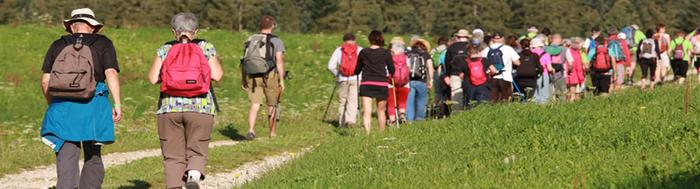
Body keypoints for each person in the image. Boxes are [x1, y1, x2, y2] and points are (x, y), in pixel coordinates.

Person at [40, 8, 121, 189]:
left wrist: (52, 104)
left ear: (71, 26)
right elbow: (111, 72)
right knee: (93, 153)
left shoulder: (57, 44)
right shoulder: (103, 43)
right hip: (94, 102)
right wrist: (117, 103)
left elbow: (45, 81)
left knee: (66, 152)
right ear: (92, 26)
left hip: (62, 104)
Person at [147, 12, 223, 189]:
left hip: (169, 109)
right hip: (201, 108)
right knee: (197, 147)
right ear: (195, 31)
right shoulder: (205, 47)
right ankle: (193, 177)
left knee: (173, 156)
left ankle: (175, 186)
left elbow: (152, 78)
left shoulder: (165, 49)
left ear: (174, 31)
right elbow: (217, 75)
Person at [242, 15, 286, 140]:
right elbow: (279, 61)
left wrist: (243, 78)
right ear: (273, 26)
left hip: (253, 76)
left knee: (255, 104)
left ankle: (250, 130)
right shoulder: (276, 41)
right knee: (272, 105)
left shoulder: (250, 39)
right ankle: (272, 133)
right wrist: (281, 80)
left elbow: (244, 60)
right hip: (270, 75)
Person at [355, 30, 394, 134]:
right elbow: (392, 70)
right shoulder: (386, 53)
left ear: (370, 39)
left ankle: (367, 134)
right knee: (381, 110)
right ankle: (381, 133)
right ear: (381, 39)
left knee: (367, 111)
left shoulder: (363, 52)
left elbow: (357, 70)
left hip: (366, 83)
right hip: (381, 83)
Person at [327, 33, 362, 127]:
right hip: (355, 78)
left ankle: (341, 123)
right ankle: (350, 121)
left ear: (344, 40)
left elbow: (330, 66)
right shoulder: (359, 49)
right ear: (354, 40)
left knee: (343, 101)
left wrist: (337, 75)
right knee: (353, 100)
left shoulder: (339, 50)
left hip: (342, 78)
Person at [480, 32, 521, 102]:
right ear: (502, 38)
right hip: (505, 77)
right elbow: (517, 62)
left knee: (493, 101)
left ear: (492, 39)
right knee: (506, 101)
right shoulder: (508, 48)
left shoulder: (485, 50)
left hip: (491, 78)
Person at [404, 38, 434, 121]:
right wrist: (431, 80)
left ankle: (409, 120)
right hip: (422, 81)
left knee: (409, 102)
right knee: (421, 100)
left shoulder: (409, 53)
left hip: (410, 81)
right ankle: (419, 120)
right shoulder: (426, 54)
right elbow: (430, 67)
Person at [444, 29, 471, 110]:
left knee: (456, 97)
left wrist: (447, 75)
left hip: (455, 74)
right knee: (469, 95)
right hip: (469, 75)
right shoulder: (471, 47)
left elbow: (447, 63)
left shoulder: (451, 47)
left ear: (457, 37)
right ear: (467, 37)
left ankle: (456, 115)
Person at [387, 37, 410, 124]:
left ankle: (392, 121)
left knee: (391, 103)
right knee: (402, 101)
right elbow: (409, 70)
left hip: (391, 83)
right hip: (404, 84)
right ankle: (402, 114)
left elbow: (386, 71)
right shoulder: (406, 58)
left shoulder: (389, 58)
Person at [529, 37, 554, 103]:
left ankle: (534, 107)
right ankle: (543, 109)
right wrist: (553, 71)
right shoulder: (546, 54)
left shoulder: (530, 53)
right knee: (544, 93)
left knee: (534, 93)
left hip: (532, 75)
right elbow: (549, 68)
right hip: (543, 75)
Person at [545, 33, 567, 102]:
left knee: (550, 92)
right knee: (561, 92)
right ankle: (562, 107)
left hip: (548, 72)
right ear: (558, 39)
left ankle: (551, 106)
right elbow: (570, 62)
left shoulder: (545, 49)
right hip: (560, 73)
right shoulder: (564, 49)